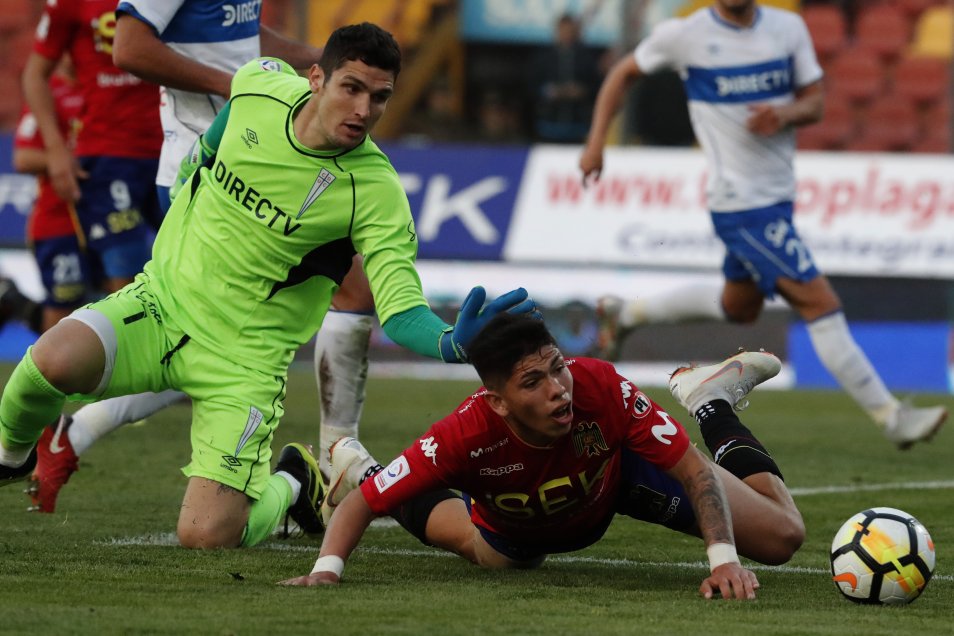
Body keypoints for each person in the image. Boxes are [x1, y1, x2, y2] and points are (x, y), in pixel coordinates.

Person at [0, 23, 536, 550]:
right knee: (44, 366)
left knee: (207, 537)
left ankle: (298, 481)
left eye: (380, 98)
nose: (362, 110)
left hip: (244, 363)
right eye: (351, 88)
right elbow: (218, 135)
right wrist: (196, 169)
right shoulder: (257, 87)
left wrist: (450, 342)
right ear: (316, 79)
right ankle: (10, 458)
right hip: (159, 304)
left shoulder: (375, 191)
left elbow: (399, 310)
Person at [578, 0, 946, 449]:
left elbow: (815, 101)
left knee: (740, 305)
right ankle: (891, 417)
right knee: (818, 301)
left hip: (777, 199)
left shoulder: (787, 28)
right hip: (739, 205)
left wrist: (785, 114)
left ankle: (627, 313)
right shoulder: (685, 35)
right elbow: (623, 73)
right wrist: (596, 142)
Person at [25, 0, 345, 515]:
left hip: (232, 160)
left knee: (201, 335)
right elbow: (127, 47)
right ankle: (329, 462)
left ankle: (75, 431)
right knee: (187, 329)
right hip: (198, 167)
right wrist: (230, 85)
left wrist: (333, 63)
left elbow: (241, 37)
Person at [280, 313, 804, 600]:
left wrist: (724, 564)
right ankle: (361, 466)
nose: (558, 389)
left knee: (784, 537)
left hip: (619, 476)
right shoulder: (464, 432)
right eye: (534, 381)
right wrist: (326, 571)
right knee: (491, 555)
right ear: (498, 402)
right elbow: (362, 506)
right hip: (516, 532)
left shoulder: (600, 386)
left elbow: (692, 472)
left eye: (558, 366)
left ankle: (709, 402)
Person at [528, 13, 602, 144]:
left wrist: (581, 91)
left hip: (578, 127)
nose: (566, 34)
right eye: (563, 30)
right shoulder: (544, 58)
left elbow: (597, 87)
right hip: (548, 126)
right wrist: (549, 91)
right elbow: (531, 86)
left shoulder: (586, 58)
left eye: (570, 30)